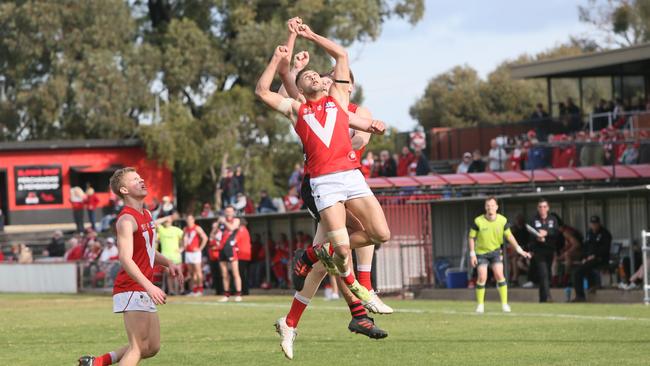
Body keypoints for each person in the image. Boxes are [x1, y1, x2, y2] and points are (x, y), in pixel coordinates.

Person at [257, 17, 389, 359]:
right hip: (322, 183)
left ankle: (319, 276)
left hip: (351, 176)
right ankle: (360, 303)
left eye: (324, 75)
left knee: (374, 236)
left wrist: (310, 35)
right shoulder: (299, 109)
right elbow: (270, 87)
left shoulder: (341, 102)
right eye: (312, 76)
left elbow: (342, 56)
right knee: (340, 252)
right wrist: (286, 52)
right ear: (303, 87)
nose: (320, 76)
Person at [78, 167, 183, 366]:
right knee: (137, 348)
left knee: (151, 347)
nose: (141, 181)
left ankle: (97, 362)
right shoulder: (126, 220)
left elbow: (149, 251)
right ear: (124, 190)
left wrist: (168, 262)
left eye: (141, 177)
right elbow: (126, 259)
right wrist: (150, 286)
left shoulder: (147, 214)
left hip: (141, 288)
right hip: (131, 288)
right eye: (135, 180)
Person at [469, 197, 531, 313]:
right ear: (485, 207)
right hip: (481, 253)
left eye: (492, 205)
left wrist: (519, 250)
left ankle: (504, 304)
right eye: (487, 205)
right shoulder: (478, 221)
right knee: (482, 277)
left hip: (496, 252)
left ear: (496, 207)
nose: (490, 208)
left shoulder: (502, 220)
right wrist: (472, 254)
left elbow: (509, 236)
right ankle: (480, 305)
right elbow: (472, 237)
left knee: (499, 275)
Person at [528, 198, 564, 302]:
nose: (542, 209)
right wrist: (537, 238)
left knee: (547, 274)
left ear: (548, 208)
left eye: (544, 207)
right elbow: (530, 236)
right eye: (540, 207)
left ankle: (542, 299)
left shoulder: (553, 219)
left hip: (550, 250)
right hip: (539, 251)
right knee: (543, 273)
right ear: (537, 208)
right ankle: (548, 296)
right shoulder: (533, 220)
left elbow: (556, 233)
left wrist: (546, 233)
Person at [572, 216, 612, 302]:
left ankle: (580, 296)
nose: (594, 226)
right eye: (592, 224)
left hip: (600, 258)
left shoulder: (605, 234)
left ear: (599, 224)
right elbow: (585, 247)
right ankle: (592, 284)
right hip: (589, 259)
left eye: (596, 224)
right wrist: (584, 257)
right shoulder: (589, 233)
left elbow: (605, 249)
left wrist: (594, 255)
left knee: (578, 272)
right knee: (578, 269)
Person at [216, 206, 243, 302]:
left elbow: (232, 227)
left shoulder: (236, 220)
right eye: (227, 211)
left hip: (231, 249)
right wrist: (216, 225)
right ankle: (226, 294)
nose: (228, 213)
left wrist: (224, 222)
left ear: (233, 212)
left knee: (235, 272)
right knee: (224, 274)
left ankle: (239, 293)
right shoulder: (221, 223)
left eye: (230, 211)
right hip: (222, 249)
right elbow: (213, 235)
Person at [156, 216, 184, 295]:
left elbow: (185, 239)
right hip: (166, 256)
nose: (167, 222)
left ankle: (180, 290)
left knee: (178, 274)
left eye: (168, 221)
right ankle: (171, 291)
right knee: (169, 274)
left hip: (176, 255)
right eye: (166, 221)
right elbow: (154, 223)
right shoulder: (161, 229)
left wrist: (182, 248)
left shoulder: (176, 230)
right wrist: (166, 217)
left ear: (171, 221)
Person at [183, 214, 208, 296]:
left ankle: (200, 289)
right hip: (188, 252)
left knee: (198, 271)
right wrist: (182, 247)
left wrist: (200, 248)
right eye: (188, 219)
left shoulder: (197, 228)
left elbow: (205, 237)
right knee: (191, 272)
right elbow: (183, 240)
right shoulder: (185, 229)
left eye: (190, 219)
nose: (189, 221)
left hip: (195, 253)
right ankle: (194, 290)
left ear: (193, 220)